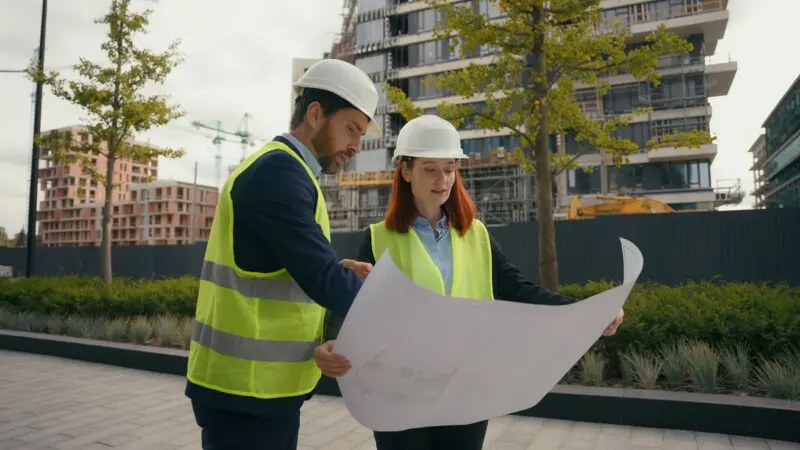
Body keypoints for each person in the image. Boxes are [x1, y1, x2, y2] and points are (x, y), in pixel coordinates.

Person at [314, 115, 625, 450]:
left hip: (464, 390)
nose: (442, 179)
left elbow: (519, 290)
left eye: (449, 168)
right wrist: (331, 340)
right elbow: (351, 305)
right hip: (398, 392)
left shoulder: (476, 235)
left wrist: (589, 311)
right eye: (430, 168)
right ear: (406, 171)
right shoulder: (378, 238)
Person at [184, 58, 378, 450]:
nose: (356, 146)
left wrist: (340, 269)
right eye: (351, 130)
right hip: (247, 393)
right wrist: (398, 304)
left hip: (258, 390)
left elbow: (278, 265)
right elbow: (322, 280)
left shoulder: (290, 172)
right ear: (315, 114)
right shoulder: (279, 174)